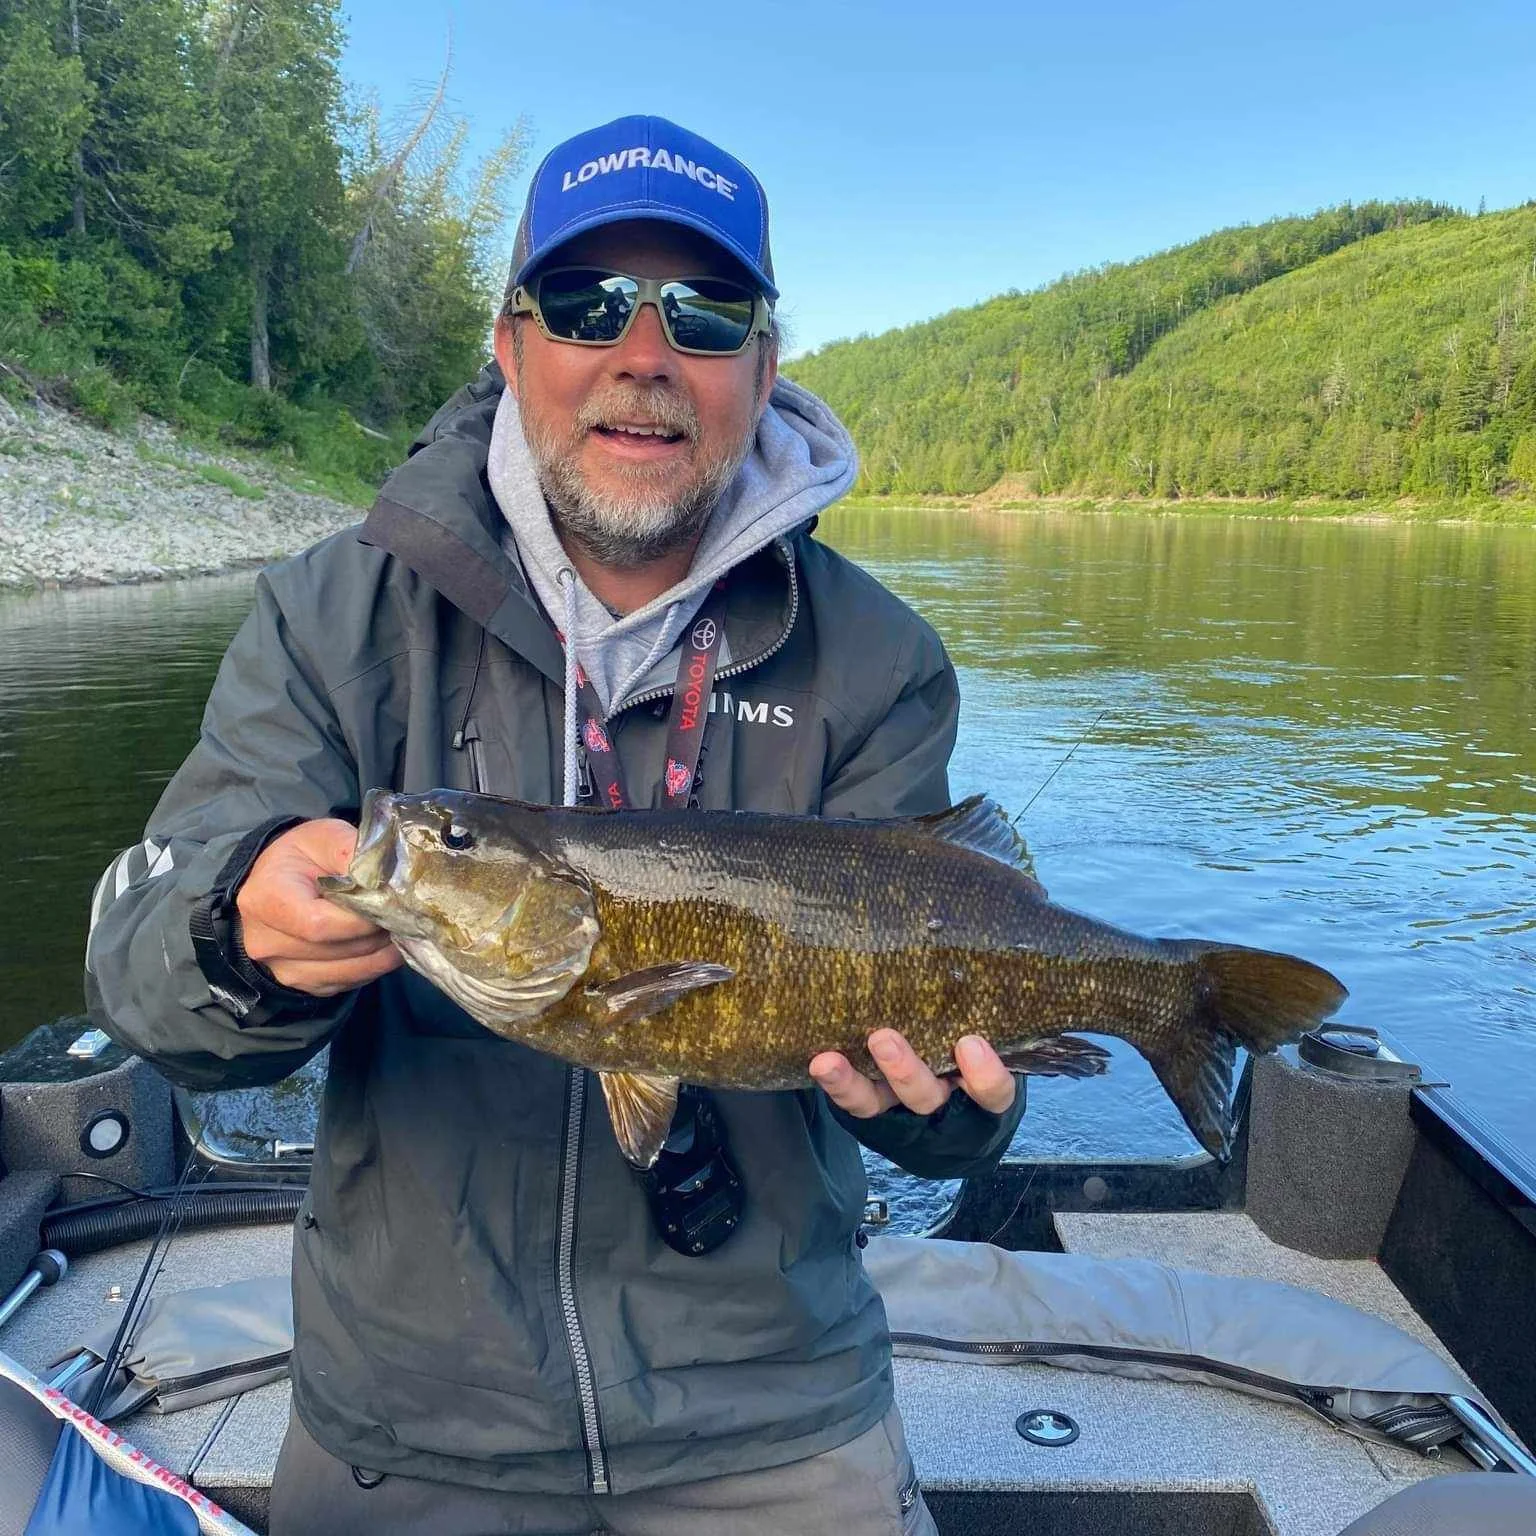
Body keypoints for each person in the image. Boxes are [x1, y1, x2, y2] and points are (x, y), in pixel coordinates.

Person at [85, 115, 1028, 1536]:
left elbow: (945, 1095)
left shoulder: (881, 660)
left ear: (763, 369)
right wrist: (232, 933)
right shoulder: (333, 616)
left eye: (704, 315)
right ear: (512, 343)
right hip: (410, 1412)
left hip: (774, 1401)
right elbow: (141, 961)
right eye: (589, 305)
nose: (644, 355)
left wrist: (953, 1106)